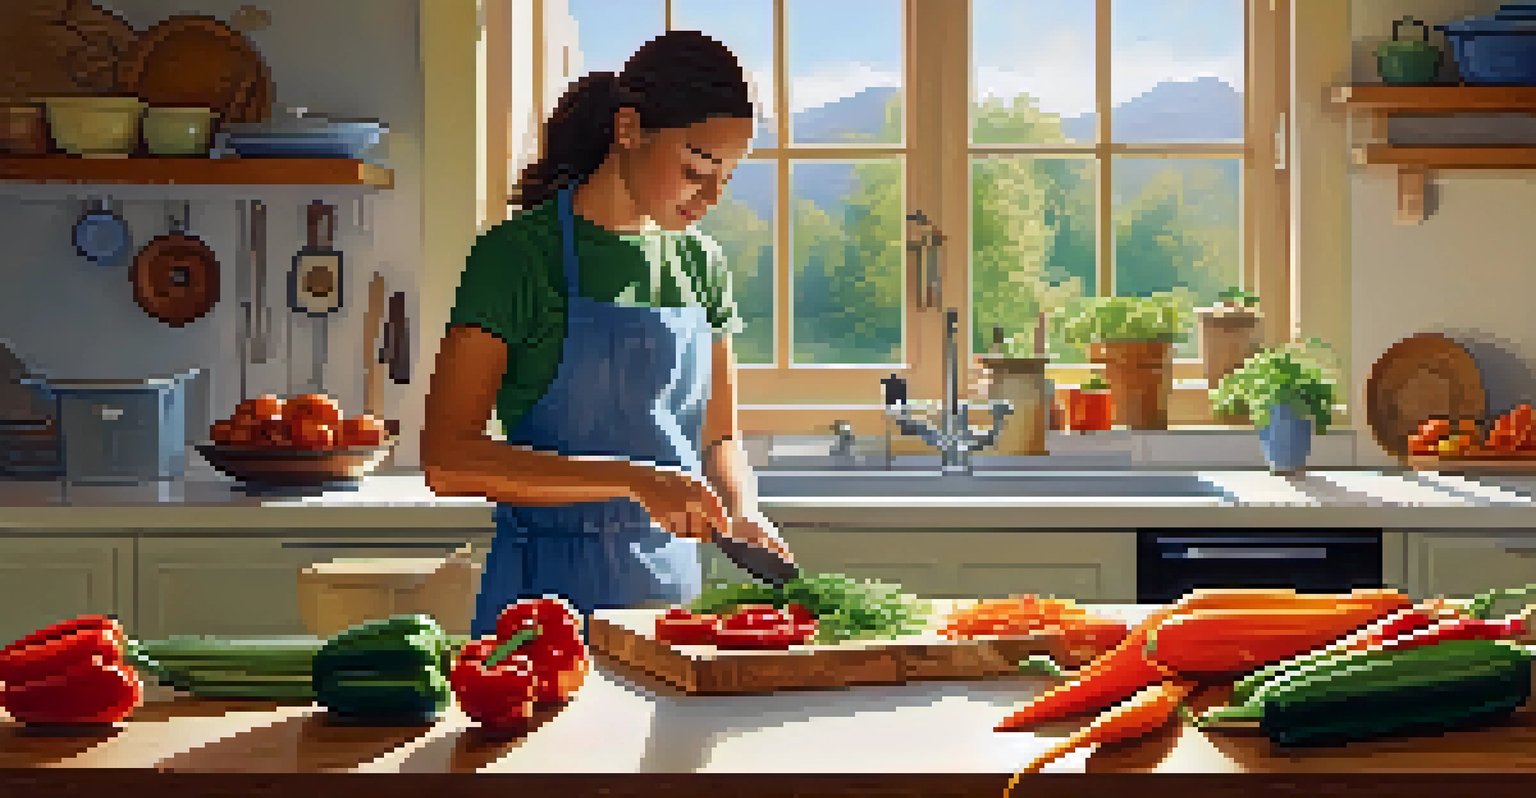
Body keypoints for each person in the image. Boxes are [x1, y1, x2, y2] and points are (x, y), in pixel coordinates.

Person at [422, 30, 797, 638]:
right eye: (696, 168)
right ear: (627, 129)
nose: (711, 196)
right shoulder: (517, 257)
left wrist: (742, 511)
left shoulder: (701, 265)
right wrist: (635, 479)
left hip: (671, 606)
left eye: (726, 176)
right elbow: (447, 460)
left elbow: (718, 435)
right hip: (540, 610)